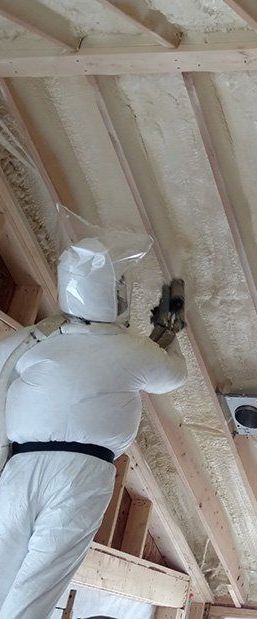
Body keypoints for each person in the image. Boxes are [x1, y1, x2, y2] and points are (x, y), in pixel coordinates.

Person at [0, 207, 187, 619]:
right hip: (81, 472)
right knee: (40, 582)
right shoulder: (130, 350)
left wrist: (41, 331)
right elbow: (172, 376)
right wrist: (167, 337)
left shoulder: (37, 343)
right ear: (117, 298)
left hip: (19, 466)